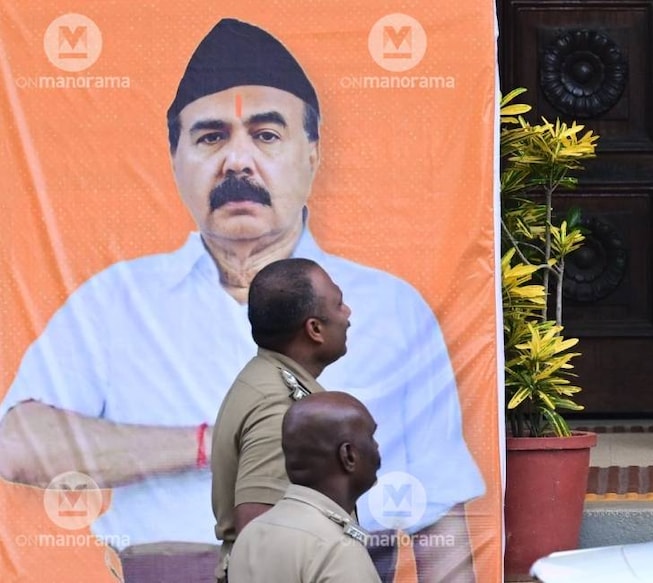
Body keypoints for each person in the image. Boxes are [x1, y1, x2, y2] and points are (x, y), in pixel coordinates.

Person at [0, 17, 482, 577]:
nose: (237, 160)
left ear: (313, 153)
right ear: (174, 157)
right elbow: (16, 444)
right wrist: (213, 441)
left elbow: (440, 517)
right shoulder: (116, 301)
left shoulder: (391, 308)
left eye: (266, 134)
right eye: (209, 137)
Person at [211, 258, 349, 581]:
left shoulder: (274, 384)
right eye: (339, 303)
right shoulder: (281, 407)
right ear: (314, 329)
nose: (348, 314)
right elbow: (263, 543)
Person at [226, 389, 384, 582]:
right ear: (348, 455)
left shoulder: (251, 534)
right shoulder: (336, 548)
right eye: (371, 436)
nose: (376, 446)